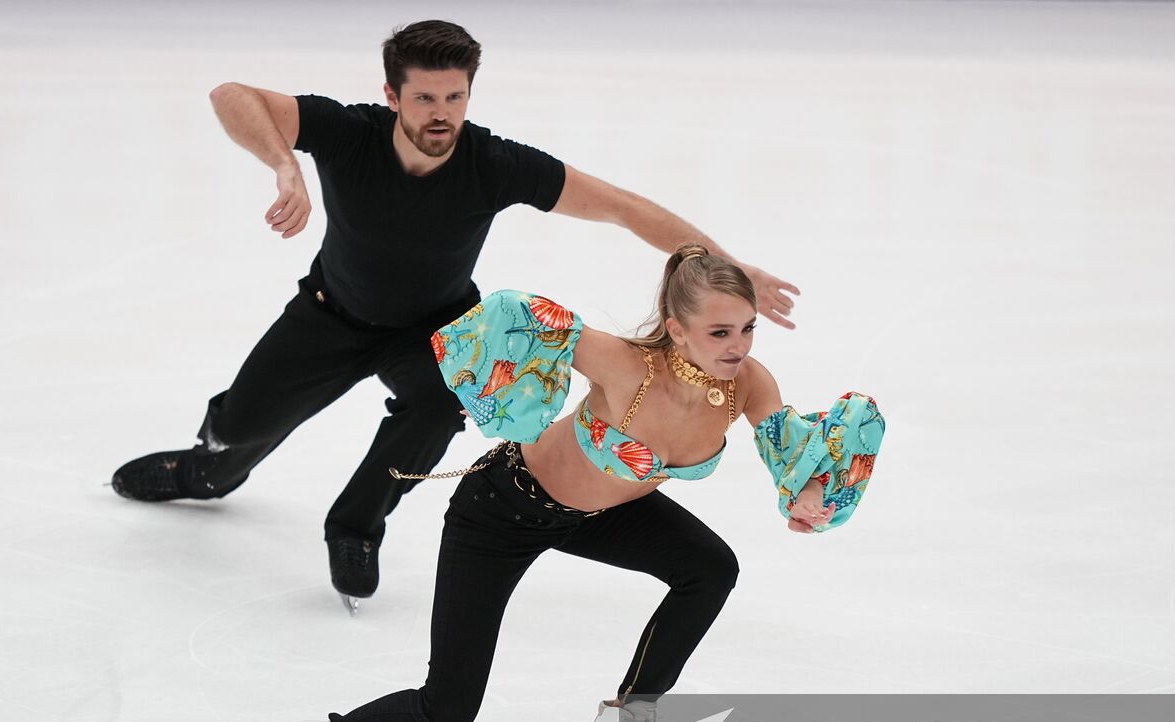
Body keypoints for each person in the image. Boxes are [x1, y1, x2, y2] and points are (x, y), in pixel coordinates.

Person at [109, 20, 800, 610]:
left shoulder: (492, 162)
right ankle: (208, 471)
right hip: (330, 314)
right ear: (392, 95)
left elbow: (621, 205)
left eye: (455, 97)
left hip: (436, 329)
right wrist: (285, 166)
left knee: (440, 408)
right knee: (241, 425)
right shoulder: (349, 132)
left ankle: (356, 525)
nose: (441, 112)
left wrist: (727, 265)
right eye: (424, 97)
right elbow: (232, 95)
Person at [203, 246, 885, 722]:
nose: (737, 347)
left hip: (602, 513)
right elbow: (521, 317)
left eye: (746, 330)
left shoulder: (745, 385)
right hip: (500, 512)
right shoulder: (625, 366)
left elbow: (785, 450)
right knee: (448, 710)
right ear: (676, 331)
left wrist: (811, 498)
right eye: (719, 333)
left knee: (710, 567)